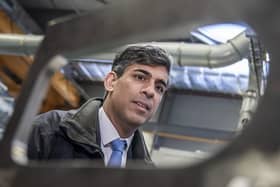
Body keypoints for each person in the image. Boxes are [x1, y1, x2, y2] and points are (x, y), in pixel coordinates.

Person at [28, 45, 171, 168]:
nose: (150, 91)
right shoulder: (47, 131)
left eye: (159, 88)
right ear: (111, 82)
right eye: (140, 77)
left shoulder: (147, 175)